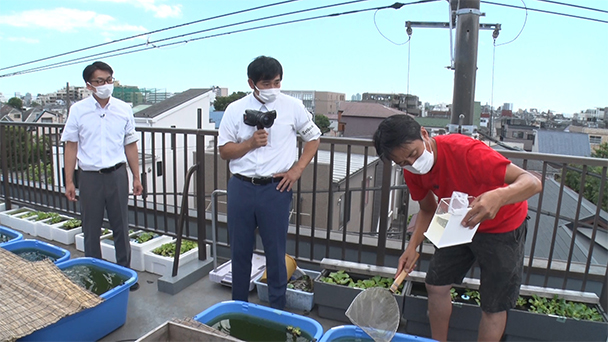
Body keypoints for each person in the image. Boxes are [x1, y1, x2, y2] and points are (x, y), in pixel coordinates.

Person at [373, 114, 542, 342]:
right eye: (403, 162)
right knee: (435, 284)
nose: (412, 164)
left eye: (413, 154)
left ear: (424, 134)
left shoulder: (466, 151)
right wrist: (412, 247)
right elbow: (427, 209)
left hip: (503, 226)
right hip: (458, 222)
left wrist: (499, 196)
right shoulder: (412, 171)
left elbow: (532, 182)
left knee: (493, 305)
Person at [218, 56, 321, 309]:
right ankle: (239, 307)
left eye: (277, 82)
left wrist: (296, 170)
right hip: (241, 186)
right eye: (266, 83)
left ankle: (277, 310)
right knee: (239, 251)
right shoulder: (234, 109)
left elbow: (314, 138)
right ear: (251, 82)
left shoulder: (293, 106)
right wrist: (250, 144)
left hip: (276, 188)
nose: (273, 88)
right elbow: (224, 151)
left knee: (275, 253)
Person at [61, 61, 143, 291]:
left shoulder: (123, 108)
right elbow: (71, 146)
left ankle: (126, 274)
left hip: (117, 174)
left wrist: (136, 176)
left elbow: (130, 144)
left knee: (121, 227)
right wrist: (69, 180)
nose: (106, 85)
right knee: (91, 228)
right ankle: (94, 274)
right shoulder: (78, 110)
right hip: (89, 176)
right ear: (89, 85)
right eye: (99, 81)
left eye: (109, 80)